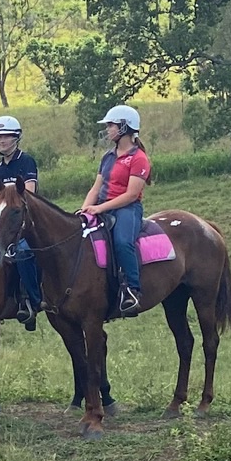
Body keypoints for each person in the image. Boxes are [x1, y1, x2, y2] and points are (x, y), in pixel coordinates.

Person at [80, 105, 149, 312]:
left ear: (124, 127)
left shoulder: (139, 159)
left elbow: (130, 195)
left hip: (127, 209)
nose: (108, 129)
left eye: (111, 125)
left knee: (122, 242)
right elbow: (96, 187)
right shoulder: (107, 156)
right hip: (103, 207)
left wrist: (100, 208)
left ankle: (132, 290)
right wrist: (85, 209)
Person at [0, 114, 41, 329]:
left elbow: (28, 194)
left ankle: (33, 300)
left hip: (26, 219)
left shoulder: (26, 161)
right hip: (4, 217)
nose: (0, 141)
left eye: (5, 136)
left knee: (22, 251)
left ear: (16, 138)